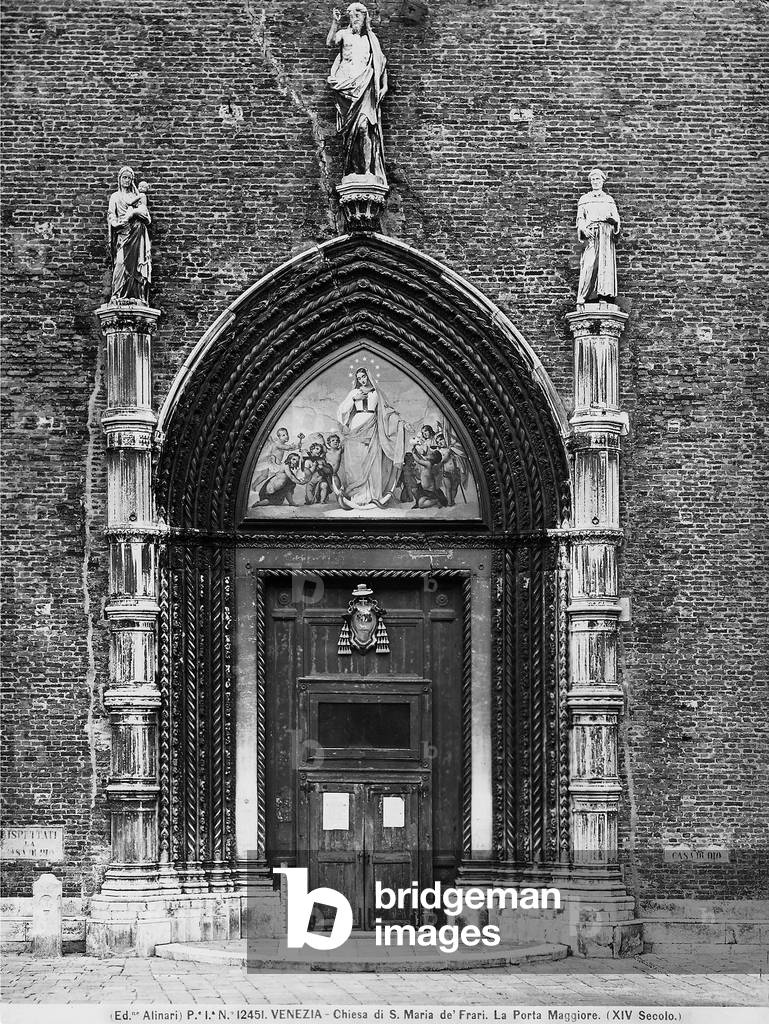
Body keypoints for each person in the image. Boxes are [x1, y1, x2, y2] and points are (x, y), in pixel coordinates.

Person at [326, 4, 388, 182]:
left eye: (360, 16)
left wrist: (384, 86)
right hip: (346, 89)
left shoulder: (371, 39)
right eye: (353, 16)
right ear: (349, 18)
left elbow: (380, 63)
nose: (356, 20)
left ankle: (368, 171)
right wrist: (334, 23)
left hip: (365, 87)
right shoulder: (344, 34)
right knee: (349, 134)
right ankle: (352, 170)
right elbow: (330, 42)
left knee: (363, 128)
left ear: (365, 19)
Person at [337, 366, 406, 509]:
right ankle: (358, 496)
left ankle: (373, 496)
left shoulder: (377, 392)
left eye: (364, 376)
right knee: (357, 461)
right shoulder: (354, 392)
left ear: (368, 376)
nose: (362, 380)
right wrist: (354, 399)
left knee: (373, 460)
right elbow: (342, 410)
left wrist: (400, 422)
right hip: (357, 426)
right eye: (359, 378)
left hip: (373, 426)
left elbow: (387, 411)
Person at [576, 168, 620, 304]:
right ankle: (583, 295)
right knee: (589, 264)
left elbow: (616, 218)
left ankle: (603, 295)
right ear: (590, 182)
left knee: (604, 264)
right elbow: (580, 219)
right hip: (591, 234)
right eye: (593, 179)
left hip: (606, 234)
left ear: (602, 181)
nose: (595, 182)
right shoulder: (584, 199)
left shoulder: (608, 200)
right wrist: (583, 229)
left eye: (598, 179)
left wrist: (614, 222)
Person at [108, 166, 152, 302]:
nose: (126, 180)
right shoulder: (115, 197)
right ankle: (116, 294)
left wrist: (134, 212)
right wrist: (115, 224)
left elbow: (147, 218)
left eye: (129, 178)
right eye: (124, 177)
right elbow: (111, 215)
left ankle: (137, 295)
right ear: (119, 179)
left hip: (136, 234)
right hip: (122, 235)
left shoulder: (136, 197)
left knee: (136, 265)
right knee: (120, 262)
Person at [410, 439, 448, 509]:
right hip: (423, 488)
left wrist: (413, 453)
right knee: (414, 490)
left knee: (421, 505)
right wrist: (416, 453)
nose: (429, 453)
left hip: (429, 491)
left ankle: (436, 501)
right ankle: (418, 501)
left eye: (432, 454)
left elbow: (418, 460)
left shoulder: (428, 464)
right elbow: (421, 458)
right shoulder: (429, 463)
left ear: (433, 459)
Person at [435, 431, 469, 506]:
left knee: (455, 487)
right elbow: (443, 459)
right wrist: (447, 453)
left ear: (446, 439)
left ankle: (452, 500)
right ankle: (449, 502)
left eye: (441, 440)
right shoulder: (440, 451)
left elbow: (460, 456)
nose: (439, 442)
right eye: (437, 442)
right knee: (448, 488)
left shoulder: (452, 449)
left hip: (455, 471)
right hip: (446, 472)